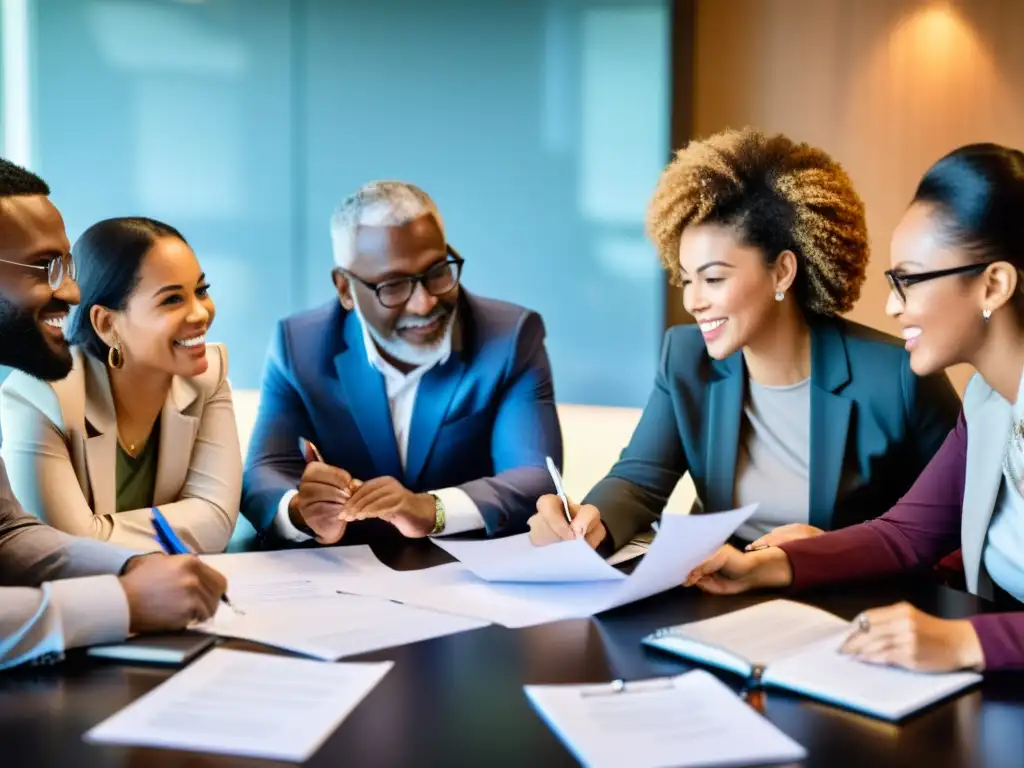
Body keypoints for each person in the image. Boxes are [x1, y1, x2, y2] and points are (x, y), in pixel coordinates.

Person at [528, 127, 961, 554]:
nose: (694, 301)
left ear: (782, 272)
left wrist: (831, 551)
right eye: (686, 280)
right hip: (718, 595)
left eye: (714, 278)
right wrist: (589, 522)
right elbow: (638, 483)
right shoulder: (684, 357)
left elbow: (946, 527)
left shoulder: (899, 377)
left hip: (849, 603)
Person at [685, 143, 1024, 673]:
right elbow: (906, 533)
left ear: (994, 284)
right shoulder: (986, 404)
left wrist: (963, 642)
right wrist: (763, 568)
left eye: (908, 280)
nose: (892, 306)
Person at [242, 181, 561, 545]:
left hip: (468, 571)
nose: (424, 304)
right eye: (393, 286)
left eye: (437, 271)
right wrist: (302, 512)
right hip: (344, 573)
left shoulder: (510, 337)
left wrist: (431, 510)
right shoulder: (299, 344)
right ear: (345, 289)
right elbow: (263, 472)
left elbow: (537, 476)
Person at [0, 158, 227, 671]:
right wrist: (123, 603)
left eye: (68, 266)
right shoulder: (36, 394)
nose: (73, 293)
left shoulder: (209, 375)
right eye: (45, 268)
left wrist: (132, 565)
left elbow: (6, 532)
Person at [0, 217, 241, 553]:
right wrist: (177, 529)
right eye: (172, 300)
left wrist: (97, 533)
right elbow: (66, 548)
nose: (201, 313)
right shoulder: (38, 393)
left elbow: (216, 521)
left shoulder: (207, 376)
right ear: (107, 323)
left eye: (201, 291)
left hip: (173, 594)